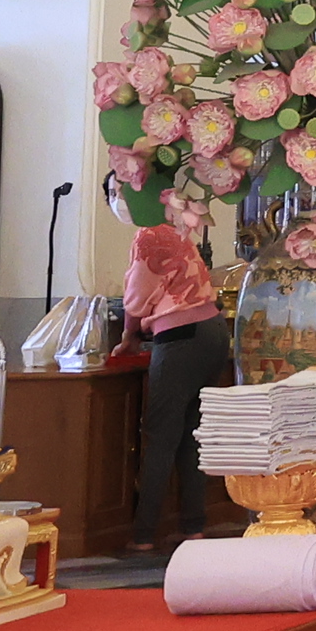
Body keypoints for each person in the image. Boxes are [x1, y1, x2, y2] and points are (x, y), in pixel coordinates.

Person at [126, 223, 233, 555]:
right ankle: (193, 526)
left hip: (179, 336)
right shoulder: (177, 229)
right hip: (213, 330)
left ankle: (143, 535)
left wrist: (129, 336)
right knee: (191, 434)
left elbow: (137, 297)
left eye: (117, 193)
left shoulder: (149, 234)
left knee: (160, 436)